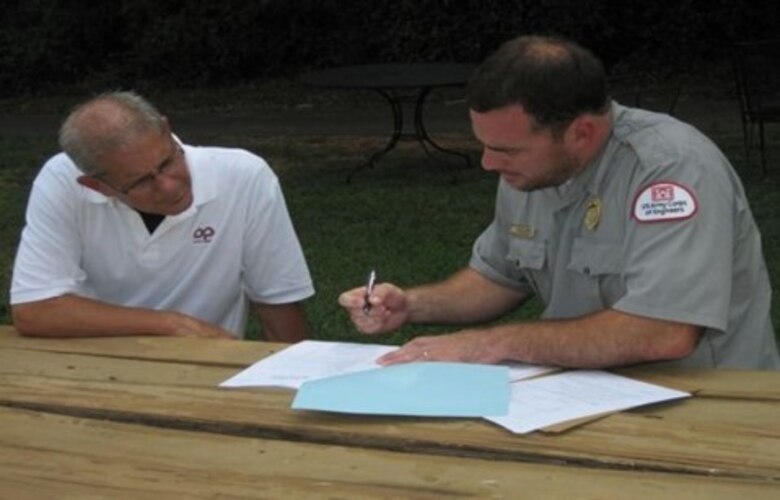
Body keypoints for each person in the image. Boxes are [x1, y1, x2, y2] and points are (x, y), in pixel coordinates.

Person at [339, 35, 779, 370]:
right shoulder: (532, 170)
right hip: (585, 395)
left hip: (708, 404)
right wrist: (412, 305)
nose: (488, 163)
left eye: (507, 150)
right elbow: (499, 276)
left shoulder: (671, 170)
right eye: (485, 145)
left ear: (581, 133)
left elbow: (665, 331)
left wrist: (491, 344)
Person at [10, 91, 313, 341]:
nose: (168, 187)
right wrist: (170, 324)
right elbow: (35, 309)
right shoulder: (61, 179)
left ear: (166, 130)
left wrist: (293, 384)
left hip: (208, 366)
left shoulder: (244, 176)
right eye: (141, 182)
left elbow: (278, 302)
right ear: (96, 185)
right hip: (94, 364)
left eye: (167, 162)